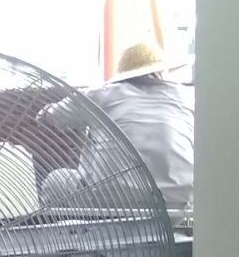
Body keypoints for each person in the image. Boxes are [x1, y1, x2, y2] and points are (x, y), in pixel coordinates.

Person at [39, 40, 194, 223]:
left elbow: (49, 117)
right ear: (162, 70)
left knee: (55, 180)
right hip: (174, 210)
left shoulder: (103, 94)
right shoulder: (188, 97)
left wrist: (48, 112)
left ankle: (64, 237)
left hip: (112, 206)